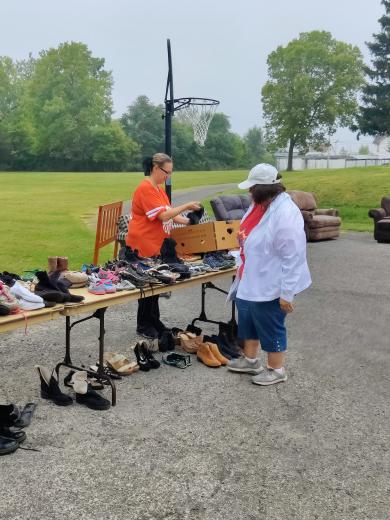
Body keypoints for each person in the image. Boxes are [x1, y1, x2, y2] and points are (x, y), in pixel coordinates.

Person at [227, 163, 311, 385]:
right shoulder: (259, 205)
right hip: (251, 276)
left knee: (270, 323)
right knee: (248, 319)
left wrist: (287, 293)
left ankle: (276, 369)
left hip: (272, 282)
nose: (249, 191)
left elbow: (293, 256)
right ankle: (250, 360)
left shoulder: (285, 213)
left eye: (252, 187)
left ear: (263, 189)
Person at [126, 153, 201, 339]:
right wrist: (186, 206)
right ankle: (143, 325)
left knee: (156, 284)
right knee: (148, 284)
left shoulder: (158, 189)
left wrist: (188, 221)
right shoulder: (145, 188)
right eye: (166, 172)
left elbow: (169, 212)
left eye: (170, 173)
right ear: (155, 168)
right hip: (143, 242)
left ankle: (154, 320)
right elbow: (162, 217)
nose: (168, 176)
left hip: (156, 243)